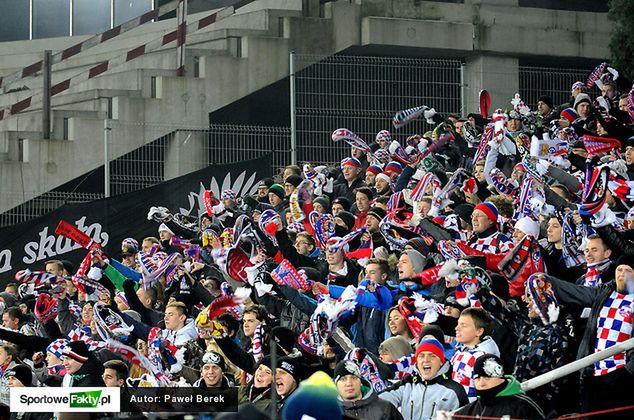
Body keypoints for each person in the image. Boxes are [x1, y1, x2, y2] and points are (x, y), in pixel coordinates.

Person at [379, 338, 469, 419]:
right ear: (417, 361)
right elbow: (378, 402)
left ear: (441, 362)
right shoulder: (407, 384)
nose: (426, 360)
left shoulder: (455, 391)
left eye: (432, 355)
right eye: (421, 356)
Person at [452, 354, 545, 419]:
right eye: (477, 378)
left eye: (487, 377)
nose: (481, 383)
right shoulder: (468, 411)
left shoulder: (522, 406)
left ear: (500, 377)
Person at [451, 307, 500, 401]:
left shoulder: (485, 359)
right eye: (458, 324)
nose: (457, 328)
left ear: (479, 332)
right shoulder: (460, 351)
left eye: (463, 325)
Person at [335, 360, 403, 420]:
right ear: (336, 384)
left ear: (361, 382)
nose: (349, 383)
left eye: (354, 378)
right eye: (343, 379)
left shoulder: (386, 409)